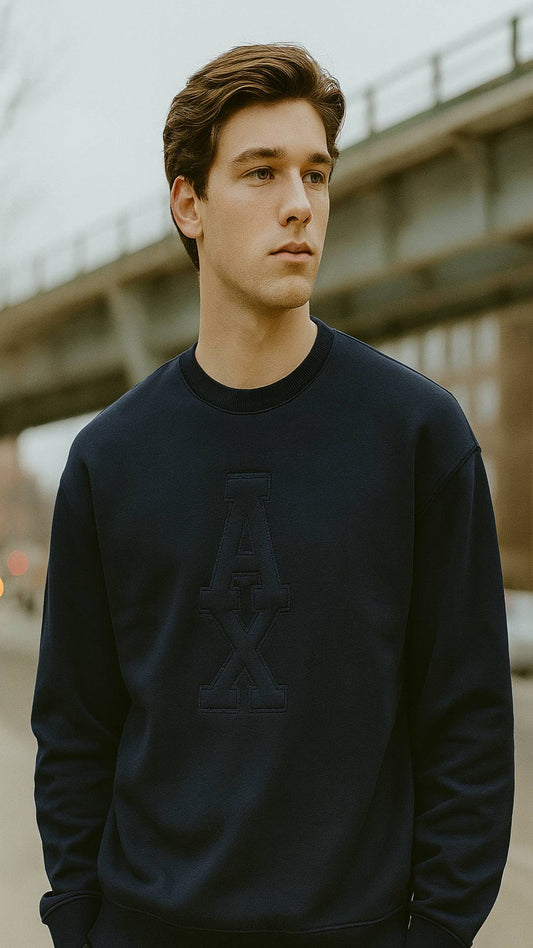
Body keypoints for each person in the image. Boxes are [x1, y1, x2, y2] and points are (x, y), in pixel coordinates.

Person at [31, 43, 514, 948]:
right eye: (260, 172)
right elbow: (75, 730)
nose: (300, 203)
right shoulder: (110, 459)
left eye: (316, 174)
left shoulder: (418, 437)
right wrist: (78, 925)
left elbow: (468, 728)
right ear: (190, 206)